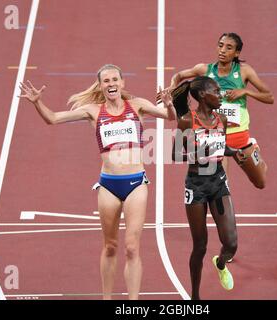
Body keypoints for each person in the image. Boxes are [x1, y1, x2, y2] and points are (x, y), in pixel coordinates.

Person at [19, 64, 176, 300]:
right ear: (101, 86)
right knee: (111, 246)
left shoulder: (138, 105)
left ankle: (132, 303)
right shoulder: (93, 111)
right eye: (106, 81)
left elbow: (170, 117)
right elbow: (52, 119)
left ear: (122, 83)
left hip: (136, 184)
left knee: (132, 247)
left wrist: (170, 104)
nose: (111, 84)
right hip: (109, 185)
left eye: (115, 80)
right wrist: (37, 102)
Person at [163, 32, 274, 190]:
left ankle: (253, 147)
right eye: (220, 45)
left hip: (240, 135)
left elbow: (269, 97)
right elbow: (179, 75)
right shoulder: (204, 69)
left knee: (260, 182)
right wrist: (173, 85)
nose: (222, 50)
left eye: (229, 48)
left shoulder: (244, 71)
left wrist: (246, 92)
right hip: (216, 135)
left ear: (237, 53)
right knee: (221, 187)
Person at [172, 76, 239, 300]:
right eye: (216, 91)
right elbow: (174, 153)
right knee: (200, 246)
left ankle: (220, 263)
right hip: (197, 186)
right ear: (202, 95)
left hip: (218, 182)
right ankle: (195, 297)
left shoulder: (221, 119)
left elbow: (222, 145)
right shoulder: (186, 121)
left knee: (231, 243)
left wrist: (236, 152)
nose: (220, 95)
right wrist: (197, 152)